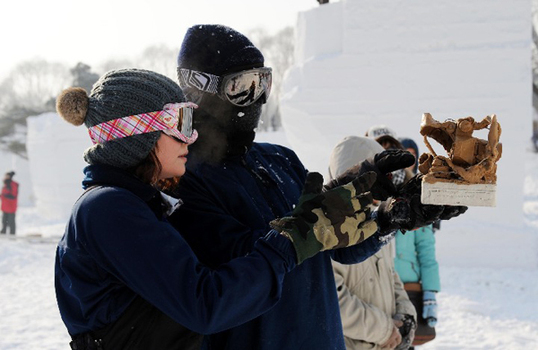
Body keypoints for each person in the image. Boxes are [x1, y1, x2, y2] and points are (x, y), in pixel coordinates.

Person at [170, 24, 463, 350]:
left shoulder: (279, 160)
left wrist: (389, 218)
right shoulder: (184, 181)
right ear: (198, 88)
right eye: (241, 86)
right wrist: (317, 220)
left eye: (262, 83)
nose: (255, 99)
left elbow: (336, 247)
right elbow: (248, 266)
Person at [54, 68, 382, 350]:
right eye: (180, 123)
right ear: (138, 136)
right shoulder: (108, 209)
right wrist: (290, 242)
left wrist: (357, 207)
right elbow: (206, 304)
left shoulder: (136, 205)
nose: (190, 138)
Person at [329, 136, 417, 350]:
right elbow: (333, 300)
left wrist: (406, 315)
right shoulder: (326, 233)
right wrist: (385, 330)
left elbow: (390, 274)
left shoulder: (376, 220)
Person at [394, 137, 441, 348]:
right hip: (380, 284)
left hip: (409, 285)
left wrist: (430, 290)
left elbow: (426, 248)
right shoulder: (380, 193)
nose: (409, 160)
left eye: (413, 155)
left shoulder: (419, 198)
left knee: (407, 342)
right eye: (404, 154)